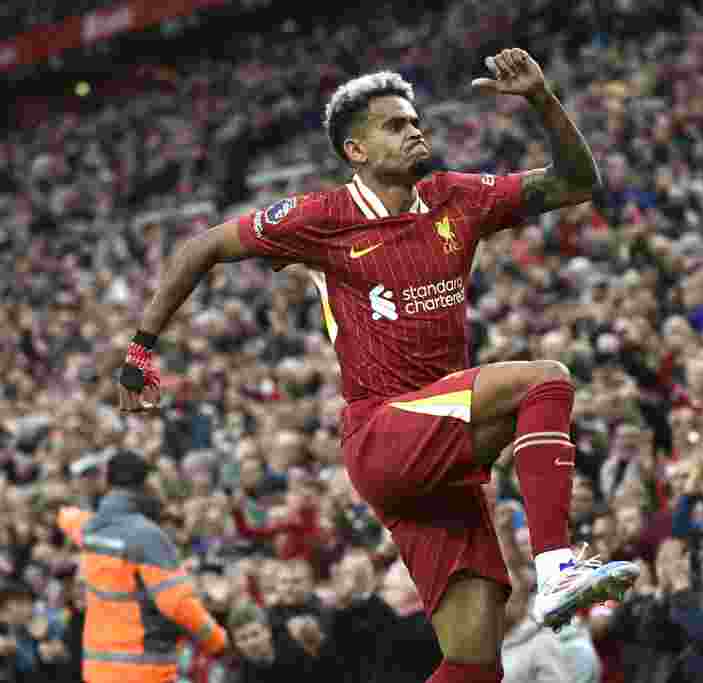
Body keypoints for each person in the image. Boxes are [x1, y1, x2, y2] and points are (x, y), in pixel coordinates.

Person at [116, 48, 638, 683]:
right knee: (546, 380)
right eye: (394, 124)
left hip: (441, 448)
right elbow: (202, 247)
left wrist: (541, 99)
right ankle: (557, 567)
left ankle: (553, 574)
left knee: (474, 664)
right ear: (355, 151)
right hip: (382, 434)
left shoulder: (458, 199)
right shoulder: (321, 218)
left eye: (415, 119)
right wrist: (142, 349)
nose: (415, 129)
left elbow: (576, 182)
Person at [56, 450, 227, 683]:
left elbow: (68, 518)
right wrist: (218, 643)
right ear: (145, 484)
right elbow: (178, 605)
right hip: (144, 673)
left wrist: (65, 513)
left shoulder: (91, 530)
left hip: (99, 672)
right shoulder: (147, 536)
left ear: (108, 481)